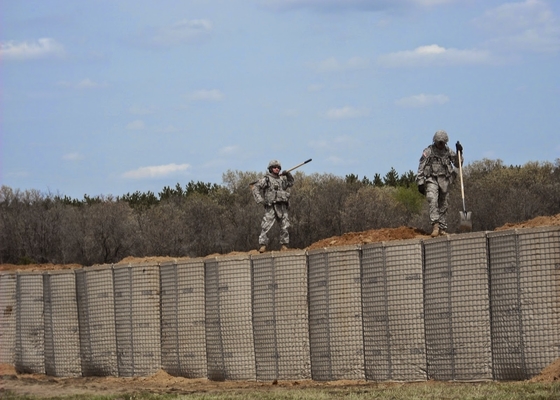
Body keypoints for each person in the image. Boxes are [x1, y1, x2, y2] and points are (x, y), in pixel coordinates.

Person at [416, 130, 463, 237]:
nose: (440, 145)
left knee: (444, 204)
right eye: (439, 142)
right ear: (435, 141)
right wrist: (420, 182)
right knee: (432, 199)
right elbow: (421, 166)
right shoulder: (428, 151)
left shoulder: (448, 152)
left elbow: (458, 164)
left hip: (445, 180)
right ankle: (435, 226)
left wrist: (459, 153)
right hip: (432, 179)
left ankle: (442, 227)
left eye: (442, 142)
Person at [252, 159, 294, 252]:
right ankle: (263, 245)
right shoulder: (266, 179)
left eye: (278, 167)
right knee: (266, 225)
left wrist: (288, 174)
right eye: (274, 167)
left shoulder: (282, 180)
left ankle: (284, 245)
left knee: (285, 226)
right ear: (270, 169)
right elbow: (255, 188)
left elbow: (290, 183)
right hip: (271, 206)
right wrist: (261, 200)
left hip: (282, 206)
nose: (277, 169)